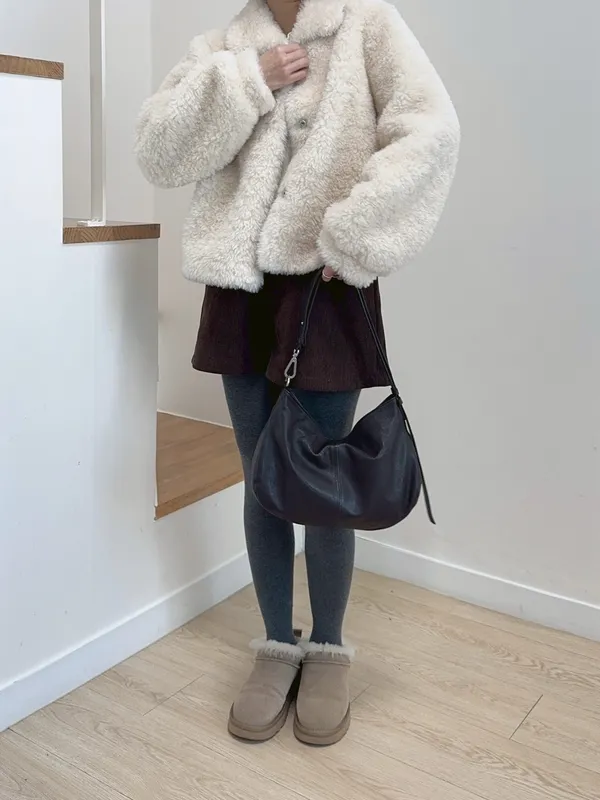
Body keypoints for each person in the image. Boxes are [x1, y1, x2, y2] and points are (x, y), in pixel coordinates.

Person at [136, 0, 459, 746]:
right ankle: (278, 643)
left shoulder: (367, 23)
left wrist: (355, 229)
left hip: (327, 284)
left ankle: (330, 649)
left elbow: (431, 128)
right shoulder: (223, 44)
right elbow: (159, 151)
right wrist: (247, 78)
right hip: (239, 289)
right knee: (263, 478)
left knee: (323, 482)